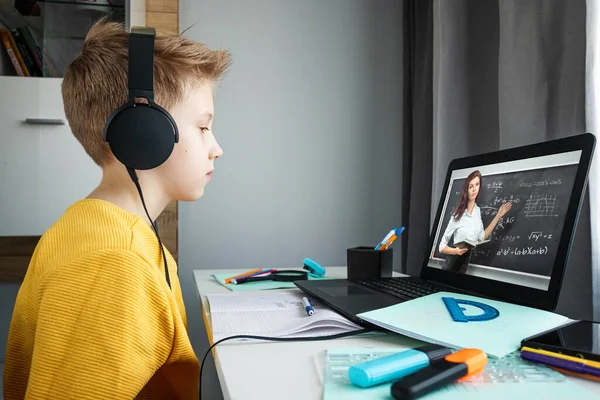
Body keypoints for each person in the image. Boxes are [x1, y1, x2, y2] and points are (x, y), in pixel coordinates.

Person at [3, 18, 231, 399]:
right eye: (203, 127)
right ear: (144, 132)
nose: (216, 148)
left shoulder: (86, 225)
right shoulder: (115, 265)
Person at [438, 170, 512, 273]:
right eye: (471, 186)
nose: (474, 189)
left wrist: (498, 215)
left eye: (477, 184)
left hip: (464, 267)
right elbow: (441, 246)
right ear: (466, 190)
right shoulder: (457, 215)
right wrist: (456, 251)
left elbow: (482, 237)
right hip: (451, 268)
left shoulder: (477, 211)